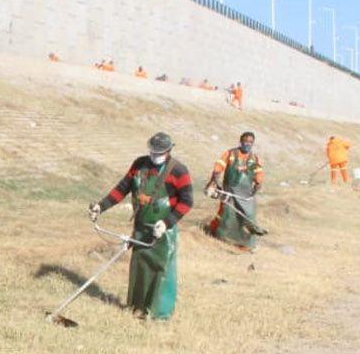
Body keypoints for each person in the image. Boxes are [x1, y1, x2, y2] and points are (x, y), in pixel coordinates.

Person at [89, 132, 193, 320]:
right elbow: (122, 188)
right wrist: (101, 206)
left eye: (159, 152)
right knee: (140, 268)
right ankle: (137, 309)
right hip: (141, 227)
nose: (155, 156)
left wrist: (167, 223)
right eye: (152, 152)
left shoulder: (179, 171)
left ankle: (158, 314)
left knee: (160, 270)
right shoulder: (139, 165)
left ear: (168, 151)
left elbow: (187, 202)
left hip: (163, 231)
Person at [204, 131, 264, 252]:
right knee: (226, 214)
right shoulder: (230, 154)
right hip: (230, 192)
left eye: (250, 142)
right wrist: (213, 182)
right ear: (240, 141)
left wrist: (257, 185)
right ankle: (220, 236)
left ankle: (245, 243)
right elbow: (218, 169)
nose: (247, 144)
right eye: (245, 141)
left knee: (249, 217)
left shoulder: (255, 158)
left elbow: (259, 175)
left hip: (246, 195)